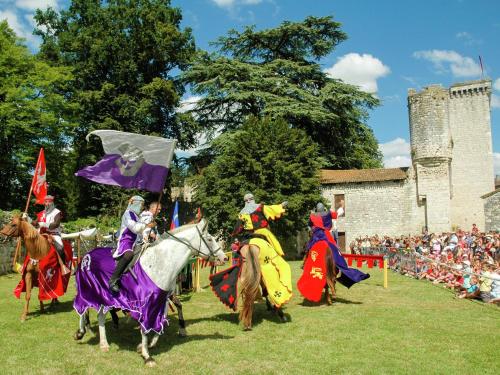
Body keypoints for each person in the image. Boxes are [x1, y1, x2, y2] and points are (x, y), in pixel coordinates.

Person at [232, 192, 292, 307]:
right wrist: (282, 205)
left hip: (248, 237)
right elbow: (273, 209)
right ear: (252, 199)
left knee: (240, 258)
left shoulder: (241, 213)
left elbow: (237, 229)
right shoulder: (260, 207)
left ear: (245, 201)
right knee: (277, 258)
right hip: (263, 234)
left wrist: (235, 236)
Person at [109, 196, 155, 293]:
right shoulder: (127, 214)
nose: (142, 207)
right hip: (125, 241)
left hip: (135, 242)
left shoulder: (137, 216)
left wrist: (147, 232)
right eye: (141, 205)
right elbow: (134, 228)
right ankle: (113, 280)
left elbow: (140, 230)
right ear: (135, 203)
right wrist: (146, 225)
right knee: (128, 254)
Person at [24, 195, 69, 274]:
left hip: (53, 234)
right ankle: (26, 265)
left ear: (52, 203)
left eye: (49, 202)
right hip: (41, 234)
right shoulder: (41, 213)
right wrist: (28, 218)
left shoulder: (57, 212)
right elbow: (35, 224)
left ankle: (63, 266)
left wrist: (44, 224)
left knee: (60, 247)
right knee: (30, 245)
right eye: (46, 202)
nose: (47, 204)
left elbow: (56, 224)